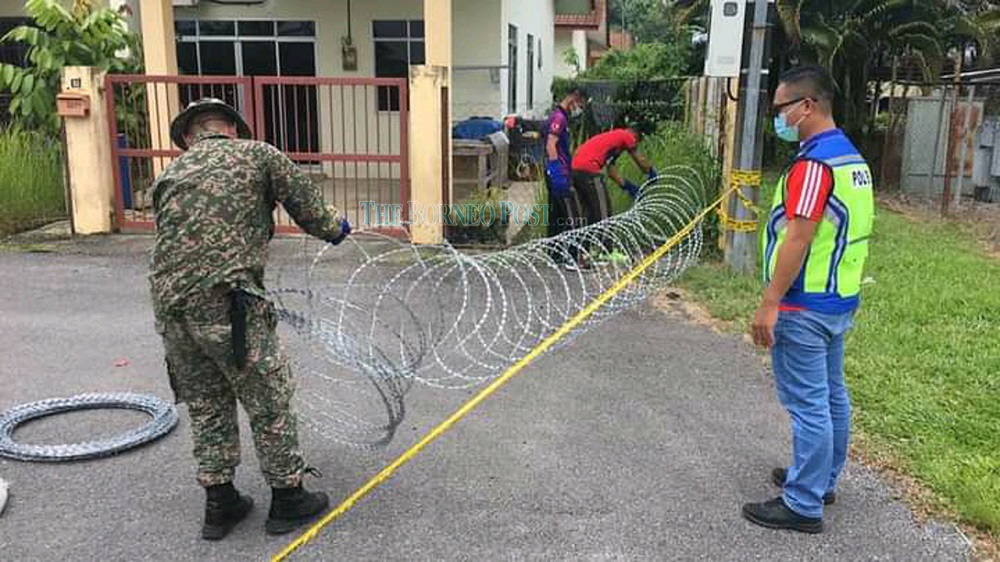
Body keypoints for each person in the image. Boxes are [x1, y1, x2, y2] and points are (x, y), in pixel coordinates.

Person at [150, 98, 351, 540]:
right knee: (268, 399)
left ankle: (220, 503)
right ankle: (288, 497)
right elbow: (313, 211)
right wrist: (337, 229)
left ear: (187, 137)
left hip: (172, 311)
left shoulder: (168, 175)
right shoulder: (258, 154)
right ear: (233, 129)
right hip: (230, 305)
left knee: (206, 403)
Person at [743, 66, 875, 534]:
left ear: (808, 107)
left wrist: (770, 302)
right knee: (832, 396)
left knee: (810, 404)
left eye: (782, 109)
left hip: (805, 304)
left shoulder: (815, 165)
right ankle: (820, 481)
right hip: (839, 298)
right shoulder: (850, 158)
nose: (778, 117)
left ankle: (802, 503)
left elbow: (799, 238)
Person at [544, 87, 588, 269]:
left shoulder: (561, 116)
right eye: (580, 104)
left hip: (557, 172)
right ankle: (572, 257)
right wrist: (556, 172)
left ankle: (554, 255)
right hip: (559, 173)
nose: (579, 108)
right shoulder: (559, 118)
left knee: (557, 216)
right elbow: (550, 145)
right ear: (574, 98)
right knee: (572, 216)